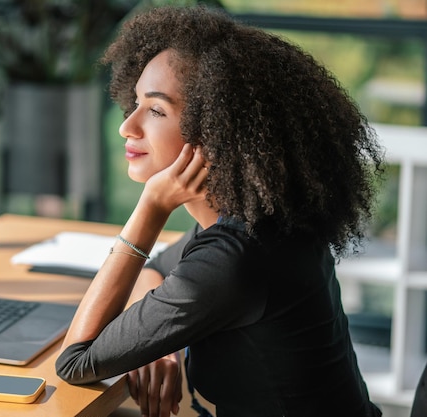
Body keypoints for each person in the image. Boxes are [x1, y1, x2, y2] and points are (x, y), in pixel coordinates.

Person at [55, 5, 384, 417]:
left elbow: (74, 362)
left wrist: (152, 207)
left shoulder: (235, 258)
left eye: (156, 110)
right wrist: (156, 339)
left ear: (217, 132)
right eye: (135, 102)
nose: (128, 125)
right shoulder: (257, 222)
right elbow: (154, 268)